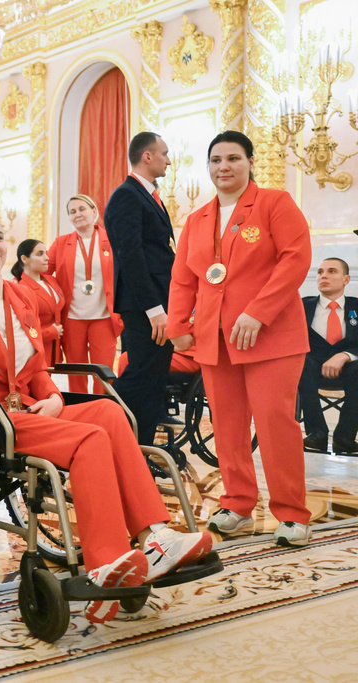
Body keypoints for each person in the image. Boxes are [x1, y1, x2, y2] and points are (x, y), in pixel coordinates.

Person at [0, 212, 212, 623]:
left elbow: (38, 369)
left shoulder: (20, 298)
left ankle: (152, 536)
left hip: (29, 409)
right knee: (89, 439)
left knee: (108, 411)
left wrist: (50, 397)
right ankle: (104, 561)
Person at [168, 130, 312, 547]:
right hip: (215, 337)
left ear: (250, 162)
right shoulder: (197, 219)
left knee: (273, 422)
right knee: (227, 425)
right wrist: (179, 325)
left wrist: (258, 312)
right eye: (216, 160)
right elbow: (183, 278)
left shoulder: (274, 204)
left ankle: (291, 513)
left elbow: (295, 259)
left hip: (271, 337)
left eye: (233, 158)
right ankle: (237, 503)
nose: (223, 167)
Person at [105, 131, 175, 445]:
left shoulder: (147, 195)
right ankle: (94, 418)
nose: (169, 160)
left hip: (159, 299)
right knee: (141, 374)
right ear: (147, 156)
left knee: (153, 381)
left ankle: (142, 449)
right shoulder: (127, 195)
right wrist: (155, 309)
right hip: (144, 304)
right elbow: (130, 256)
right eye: (164, 153)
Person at [47, 194, 122, 393]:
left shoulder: (113, 240)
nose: (77, 214)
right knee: (75, 370)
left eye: (82, 209)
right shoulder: (61, 243)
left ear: (94, 211)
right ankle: (79, 411)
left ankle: (102, 408)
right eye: (72, 212)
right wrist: (56, 296)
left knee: (103, 373)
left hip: (104, 317)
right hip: (72, 318)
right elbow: (44, 273)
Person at [299, 258, 358, 454]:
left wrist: (345, 355)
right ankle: (317, 434)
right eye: (320, 272)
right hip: (309, 368)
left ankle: (345, 438)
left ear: (346, 279)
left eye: (332, 271)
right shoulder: (301, 306)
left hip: (350, 370)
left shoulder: (356, 307)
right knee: (301, 364)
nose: (324, 275)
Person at [11, 239, 64, 365]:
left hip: (53, 349)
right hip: (34, 351)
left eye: (46, 253)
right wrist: (52, 332)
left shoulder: (52, 280)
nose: (47, 258)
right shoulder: (20, 288)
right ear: (24, 259)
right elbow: (22, 329)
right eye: (40, 254)